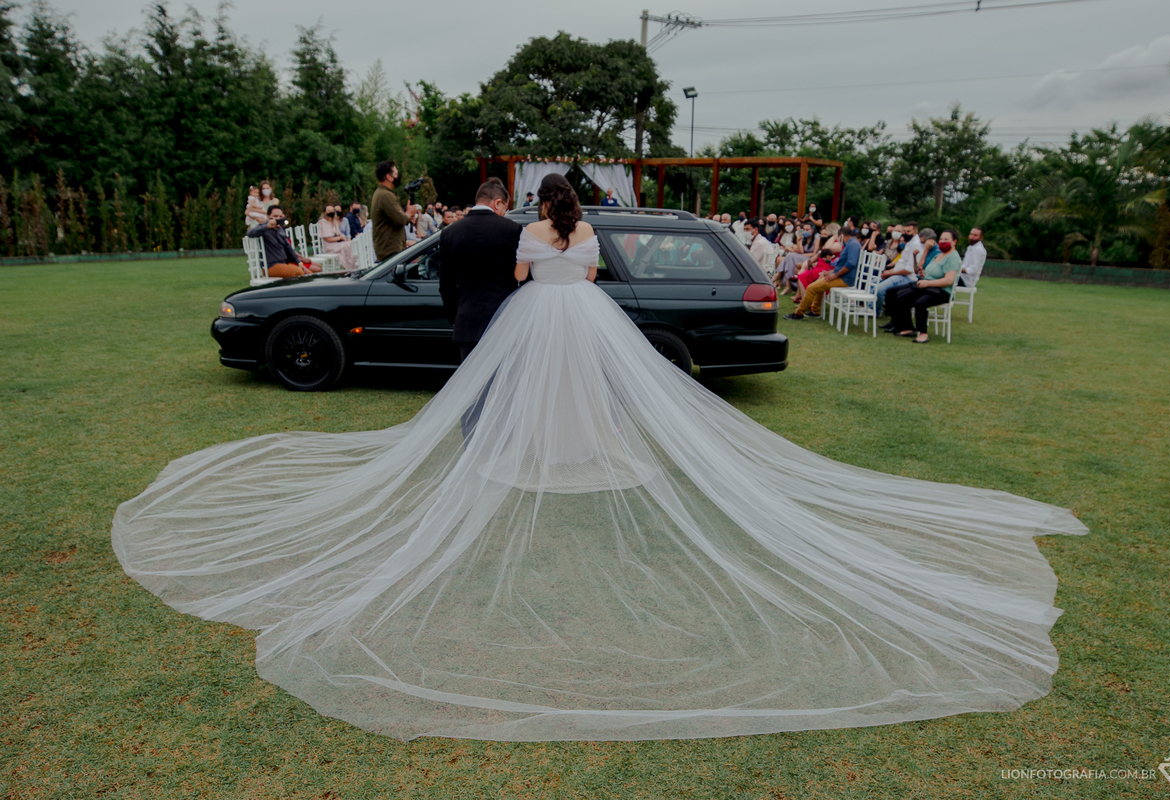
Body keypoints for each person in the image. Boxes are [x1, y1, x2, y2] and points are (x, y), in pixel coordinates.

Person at [113, 174, 1086, 743]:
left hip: (544, 317)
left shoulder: (535, 237)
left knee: (541, 388)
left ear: (541, 205)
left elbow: (527, 275)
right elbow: (556, 269)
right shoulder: (580, 236)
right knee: (582, 395)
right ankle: (579, 448)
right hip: (588, 317)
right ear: (581, 209)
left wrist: (536, 266)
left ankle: (542, 449)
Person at [438, 177, 522, 363]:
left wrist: (456, 317)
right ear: (497, 202)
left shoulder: (449, 232)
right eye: (505, 208)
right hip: (504, 320)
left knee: (470, 385)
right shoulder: (513, 230)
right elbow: (523, 279)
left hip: (467, 322)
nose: (504, 213)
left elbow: (446, 285)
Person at [886, 228, 963, 342]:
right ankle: (906, 327)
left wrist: (927, 283)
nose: (942, 241)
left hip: (941, 291)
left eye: (946, 239)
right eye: (941, 239)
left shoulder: (953, 257)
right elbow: (928, 271)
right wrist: (924, 274)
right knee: (900, 295)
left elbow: (948, 281)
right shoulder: (939, 255)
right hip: (927, 286)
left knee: (920, 303)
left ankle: (923, 334)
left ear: (954, 241)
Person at [787, 225, 861, 319]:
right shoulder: (851, 244)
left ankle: (799, 313)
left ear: (841, 235)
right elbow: (842, 265)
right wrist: (830, 272)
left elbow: (850, 264)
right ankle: (815, 311)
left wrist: (834, 275)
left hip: (845, 279)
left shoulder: (853, 245)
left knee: (811, 288)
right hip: (841, 276)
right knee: (818, 282)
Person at [246, 206, 319, 278]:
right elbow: (250, 233)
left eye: (280, 216)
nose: (278, 218)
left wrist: (299, 263)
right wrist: (267, 226)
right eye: (275, 216)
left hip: (284, 263)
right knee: (298, 272)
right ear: (268, 217)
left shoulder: (280, 230)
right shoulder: (264, 228)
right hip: (271, 266)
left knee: (309, 273)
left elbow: (289, 248)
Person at [370, 160, 419, 262]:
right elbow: (400, 220)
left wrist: (407, 216)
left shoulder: (382, 193)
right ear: (389, 177)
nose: (398, 177)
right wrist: (409, 213)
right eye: (396, 174)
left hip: (389, 249)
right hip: (390, 251)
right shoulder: (385, 195)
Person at [317, 204, 357, 271]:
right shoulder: (323, 222)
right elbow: (327, 239)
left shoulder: (334, 221)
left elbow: (338, 233)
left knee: (351, 243)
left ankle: (353, 266)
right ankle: (350, 267)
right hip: (329, 246)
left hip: (336, 243)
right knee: (348, 245)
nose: (331, 212)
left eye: (332, 210)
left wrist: (342, 236)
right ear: (325, 212)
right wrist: (339, 238)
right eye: (329, 210)